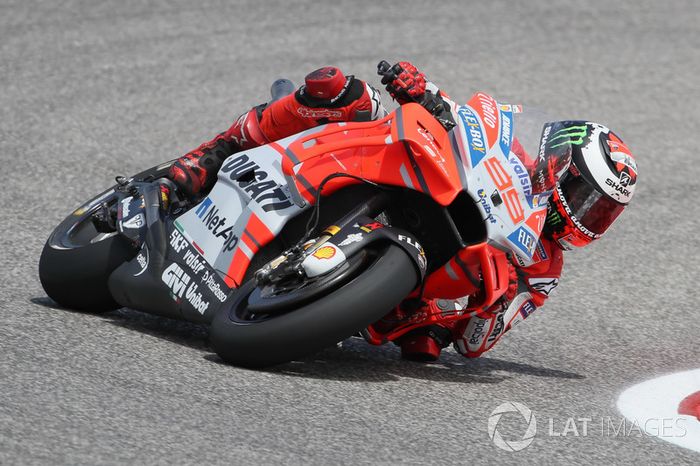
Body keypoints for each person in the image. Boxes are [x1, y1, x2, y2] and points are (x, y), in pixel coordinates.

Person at [168, 61, 638, 362]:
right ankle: (218, 149)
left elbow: (477, 342)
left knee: (426, 345)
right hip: (415, 180)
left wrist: (491, 303)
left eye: (601, 212)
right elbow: (466, 122)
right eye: (584, 197)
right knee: (342, 92)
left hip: (412, 302)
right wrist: (421, 90)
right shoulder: (511, 147)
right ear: (558, 161)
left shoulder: (545, 266)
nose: (585, 215)